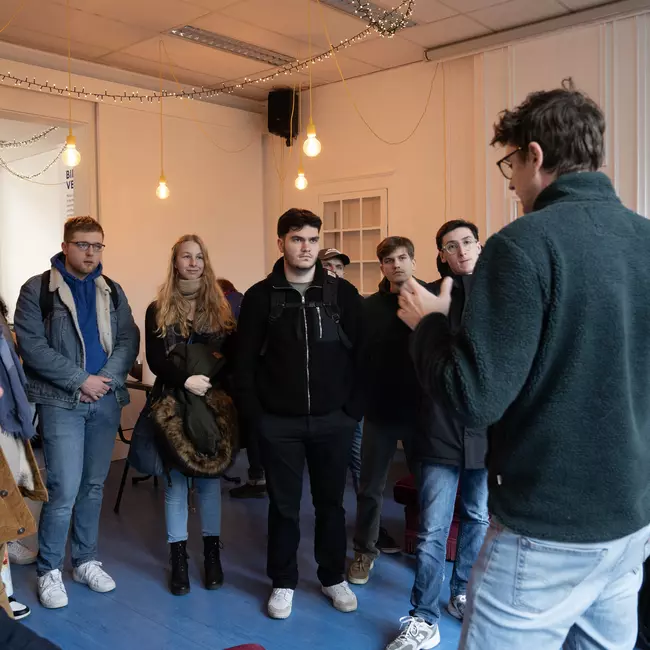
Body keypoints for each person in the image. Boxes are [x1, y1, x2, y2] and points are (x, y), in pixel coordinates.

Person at [397, 81, 650, 649]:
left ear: (535, 156)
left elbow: (474, 397)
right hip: (631, 522)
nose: (510, 181)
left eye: (509, 163)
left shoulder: (522, 246)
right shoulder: (645, 239)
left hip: (546, 525)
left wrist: (431, 324)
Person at [235, 208, 363, 619]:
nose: (305, 247)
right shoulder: (260, 296)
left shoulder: (342, 294)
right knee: (284, 507)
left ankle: (332, 577)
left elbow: (364, 355)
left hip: (334, 420)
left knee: (331, 505)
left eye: (311, 239)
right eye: (296, 239)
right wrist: (259, 417)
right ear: (281, 243)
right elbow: (244, 363)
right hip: (280, 424)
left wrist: (352, 410)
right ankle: (283, 581)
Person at [13, 216, 139, 609]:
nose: (91, 252)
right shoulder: (38, 290)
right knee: (64, 487)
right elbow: (32, 347)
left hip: (103, 399)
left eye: (97, 245)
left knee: (93, 486)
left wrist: (104, 379)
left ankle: (85, 560)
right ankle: (49, 569)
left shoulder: (112, 291)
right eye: (83, 244)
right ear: (65, 245)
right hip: (61, 401)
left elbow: (127, 339)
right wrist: (79, 380)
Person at [386, 222, 489, 650]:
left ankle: (461, 593)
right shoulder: (427, 298)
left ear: (479, 247)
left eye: (467, 242)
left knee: (479, 517)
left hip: (484, 431)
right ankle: (423, 617)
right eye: (451, 246)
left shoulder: (498, 295)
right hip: (438, 431)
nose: (461, 250)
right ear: (441, 256)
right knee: (432, 530)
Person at [145, 235, 237, 596]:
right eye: (187, 257)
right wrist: (185, 379)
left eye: (199, 257)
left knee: (210, 482)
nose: (194, 263)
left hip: (212, 406)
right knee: (175, 485)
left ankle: (212, 555)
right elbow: (155, 360)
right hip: (173, 403)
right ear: (176, 262)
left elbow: (231, 357)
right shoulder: (158, 308)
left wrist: (214, 387)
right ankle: (179, 558)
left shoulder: (220, 307)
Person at [348, 237, 424, 587]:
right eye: (389, 260)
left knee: (429, 486)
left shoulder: (429, 300)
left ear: (413, 260)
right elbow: (358, 358)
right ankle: (365, 551)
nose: (397, 264)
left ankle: (427, 550)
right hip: (379, 411)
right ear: (382, 267)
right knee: (370, 487)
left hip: (422, 413)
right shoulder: (369, 308)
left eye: (403, 257)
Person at [317, 248, 364, 495]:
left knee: (360, 464)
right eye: (328, 265)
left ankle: (370, 531)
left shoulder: (354, 301)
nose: (334, 271)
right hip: (322, 403)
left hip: (351, 401)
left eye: (339, 266)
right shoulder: (307, 304)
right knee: (327, 469)